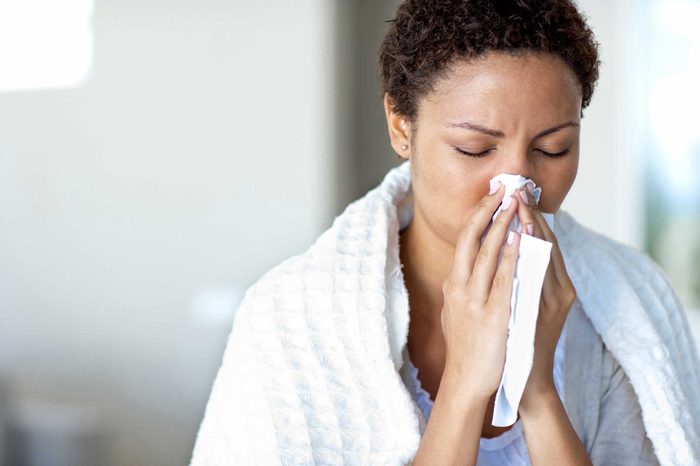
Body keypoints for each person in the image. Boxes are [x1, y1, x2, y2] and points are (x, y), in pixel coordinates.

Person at [189, 1, 700, 465]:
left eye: (554, 149)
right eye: (475, 149)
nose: (515, 188)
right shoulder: (290, 318)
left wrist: (538, 392)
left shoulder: (627, 305)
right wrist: (462, 388)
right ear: (400, 126)